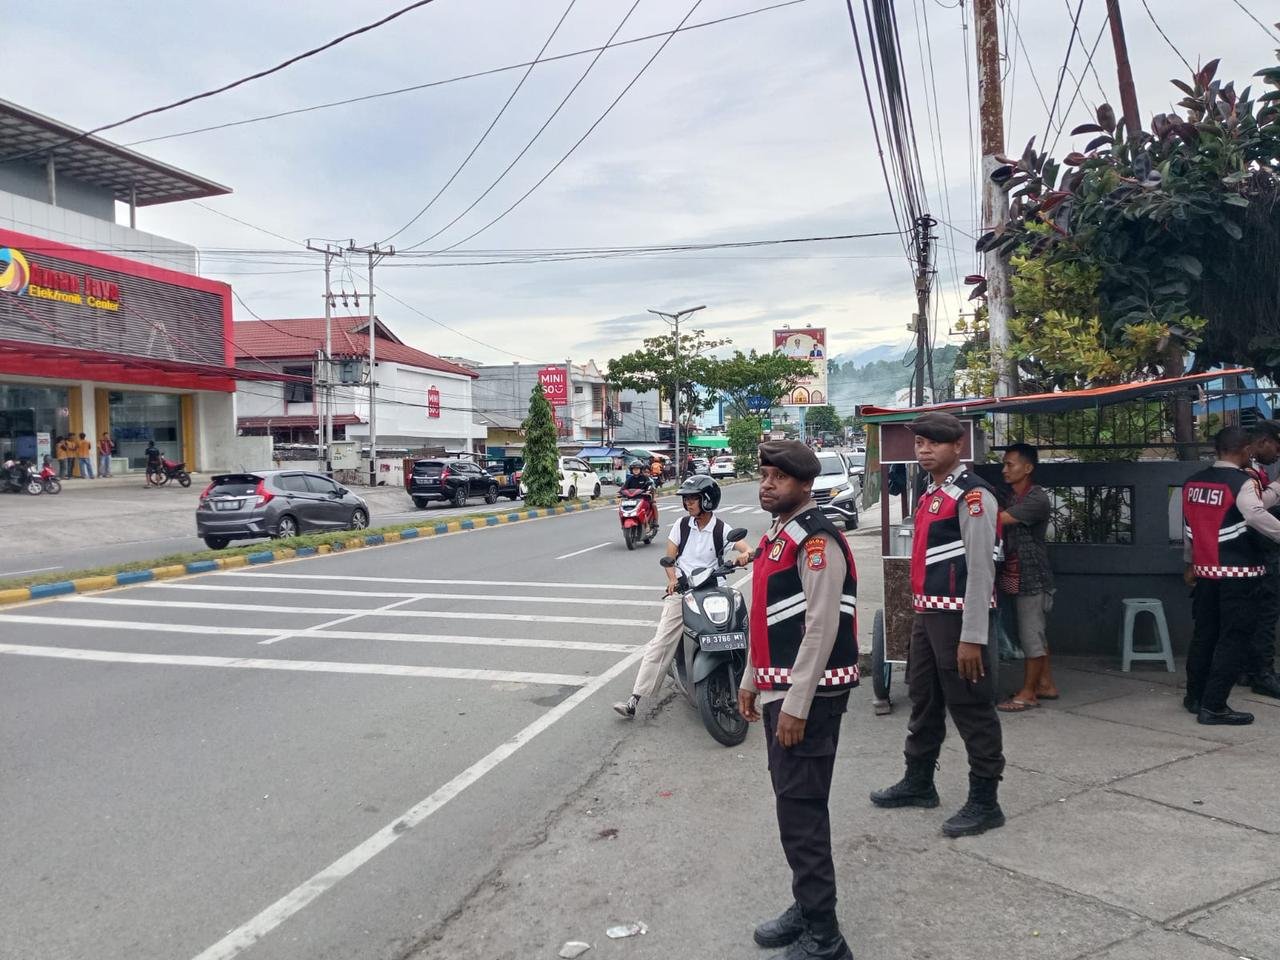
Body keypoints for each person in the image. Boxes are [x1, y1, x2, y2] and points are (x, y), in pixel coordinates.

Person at [738, 440, 859, 960]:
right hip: (779, 688)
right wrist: (749, 678)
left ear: (805, 485)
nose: (767, 485)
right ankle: (807, 906)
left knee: (802, 813)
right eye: (764, 475)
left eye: (778, 478)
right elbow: (766, 616)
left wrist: (795, 704)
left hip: (807, 696)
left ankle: (825, 937)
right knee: (795, 809)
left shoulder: (816, 541)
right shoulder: (779, 537)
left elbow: (821, 627)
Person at [871, 412, 1006, 838]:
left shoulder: (973, 497)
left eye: (933, 443)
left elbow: (982, 570)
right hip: (928, 615)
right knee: (923, 697)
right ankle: (919, 782)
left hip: (958, 619)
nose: (924, 450)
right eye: (919, 444)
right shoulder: (932, 493)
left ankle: (985, 801)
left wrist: (972, 636)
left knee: (971, 705)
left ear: (957, 446)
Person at [613, 475, 750, 719]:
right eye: (686, 499)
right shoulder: (681, 526)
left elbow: (745, 547)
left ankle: (747, 683)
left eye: (693, 499)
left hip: (714, 587)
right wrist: (673, 580)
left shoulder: (720, 528)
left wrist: (745, 555)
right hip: (685, 590)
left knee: (739, 624)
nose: (688, 503)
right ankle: (635, 698)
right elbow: (670, 558)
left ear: (707, 500)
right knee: (662, 640)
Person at [1181, 426, 1280, 725]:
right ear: (1246, 449)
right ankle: (1214, 706)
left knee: (1205, 636)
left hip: (1206, 572)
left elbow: (1190, 529)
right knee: (1233, 639)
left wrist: (1192, 563)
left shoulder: (1192, 482)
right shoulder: (1241, 482)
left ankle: (1195, 697)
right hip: (1239, 574)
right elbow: (1254, 514)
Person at [996, 443, 1059, 712]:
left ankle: (1028, 693)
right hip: (1018, 575)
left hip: (1033, 578)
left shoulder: (1035, 499)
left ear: (1028, 468)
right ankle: (1045, 684)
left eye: (1010, 464)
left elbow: (999, 520)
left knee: (1031, 636)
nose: (1005, 470)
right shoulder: (1013, 496)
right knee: (1034, 634)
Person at [1242, 423, 1280, 699]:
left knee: (1254, 616)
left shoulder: (1249, 470)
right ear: (1264, 442)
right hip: (1258, 555)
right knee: (1265, 615)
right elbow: (1255, 510)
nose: (1277, 454)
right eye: (1276, 447)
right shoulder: (1245, 473)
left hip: (1250, 554)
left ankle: (1250, 668)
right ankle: (1262, 673)